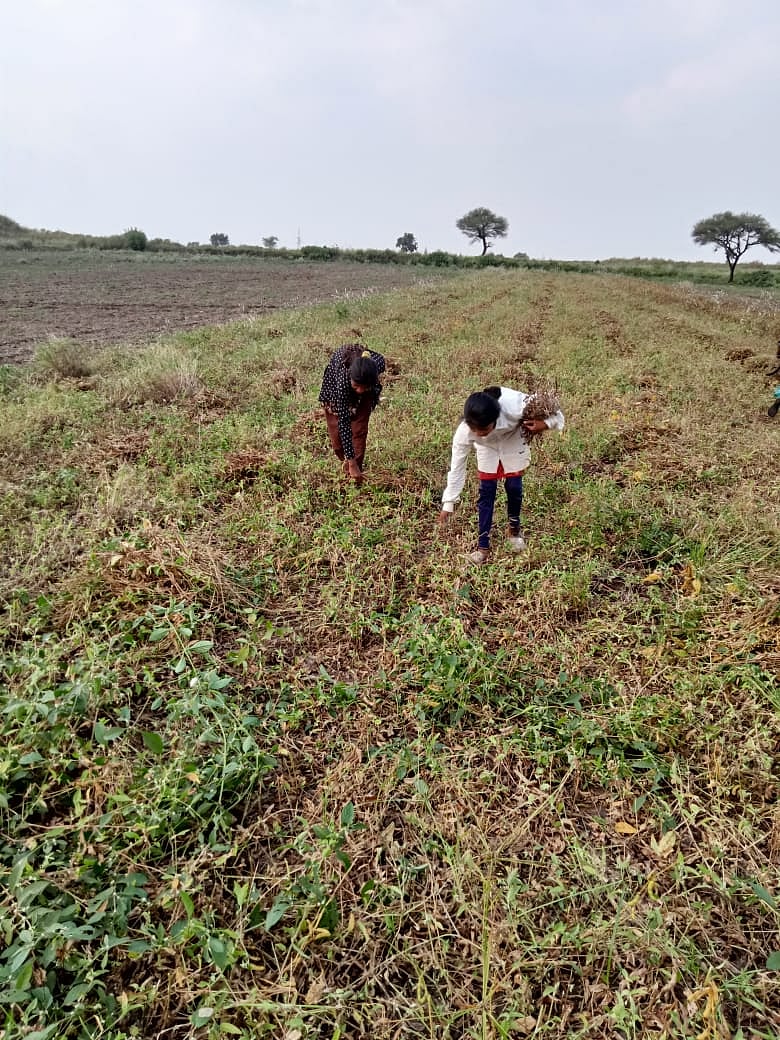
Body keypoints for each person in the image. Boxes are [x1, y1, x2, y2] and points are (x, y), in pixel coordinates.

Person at [439, 385, 565, 565]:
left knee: (514, 487)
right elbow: (457, 466)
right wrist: (449, 502)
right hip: (487, 449)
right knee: (486, 493)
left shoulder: (517, 405)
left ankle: (514, 531)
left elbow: (557, 414)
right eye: (476, 431)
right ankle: (482, 547)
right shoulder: (465, 432)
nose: (479, 434)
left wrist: (544, 424)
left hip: (513, 440)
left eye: (484, 430)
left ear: (495, 419)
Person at [319, 343, 386, 483]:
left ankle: (355, 475)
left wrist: (367, 388)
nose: (360, 391)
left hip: (365, 383)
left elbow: (365, 386)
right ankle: (348, 464)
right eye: (356, 386)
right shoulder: (343, 379)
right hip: (335, 394)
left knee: (359, 430)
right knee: (337, 438)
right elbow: (344, 424)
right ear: (351, 377)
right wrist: (351, 462)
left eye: (364, 387)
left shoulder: (376, 365)